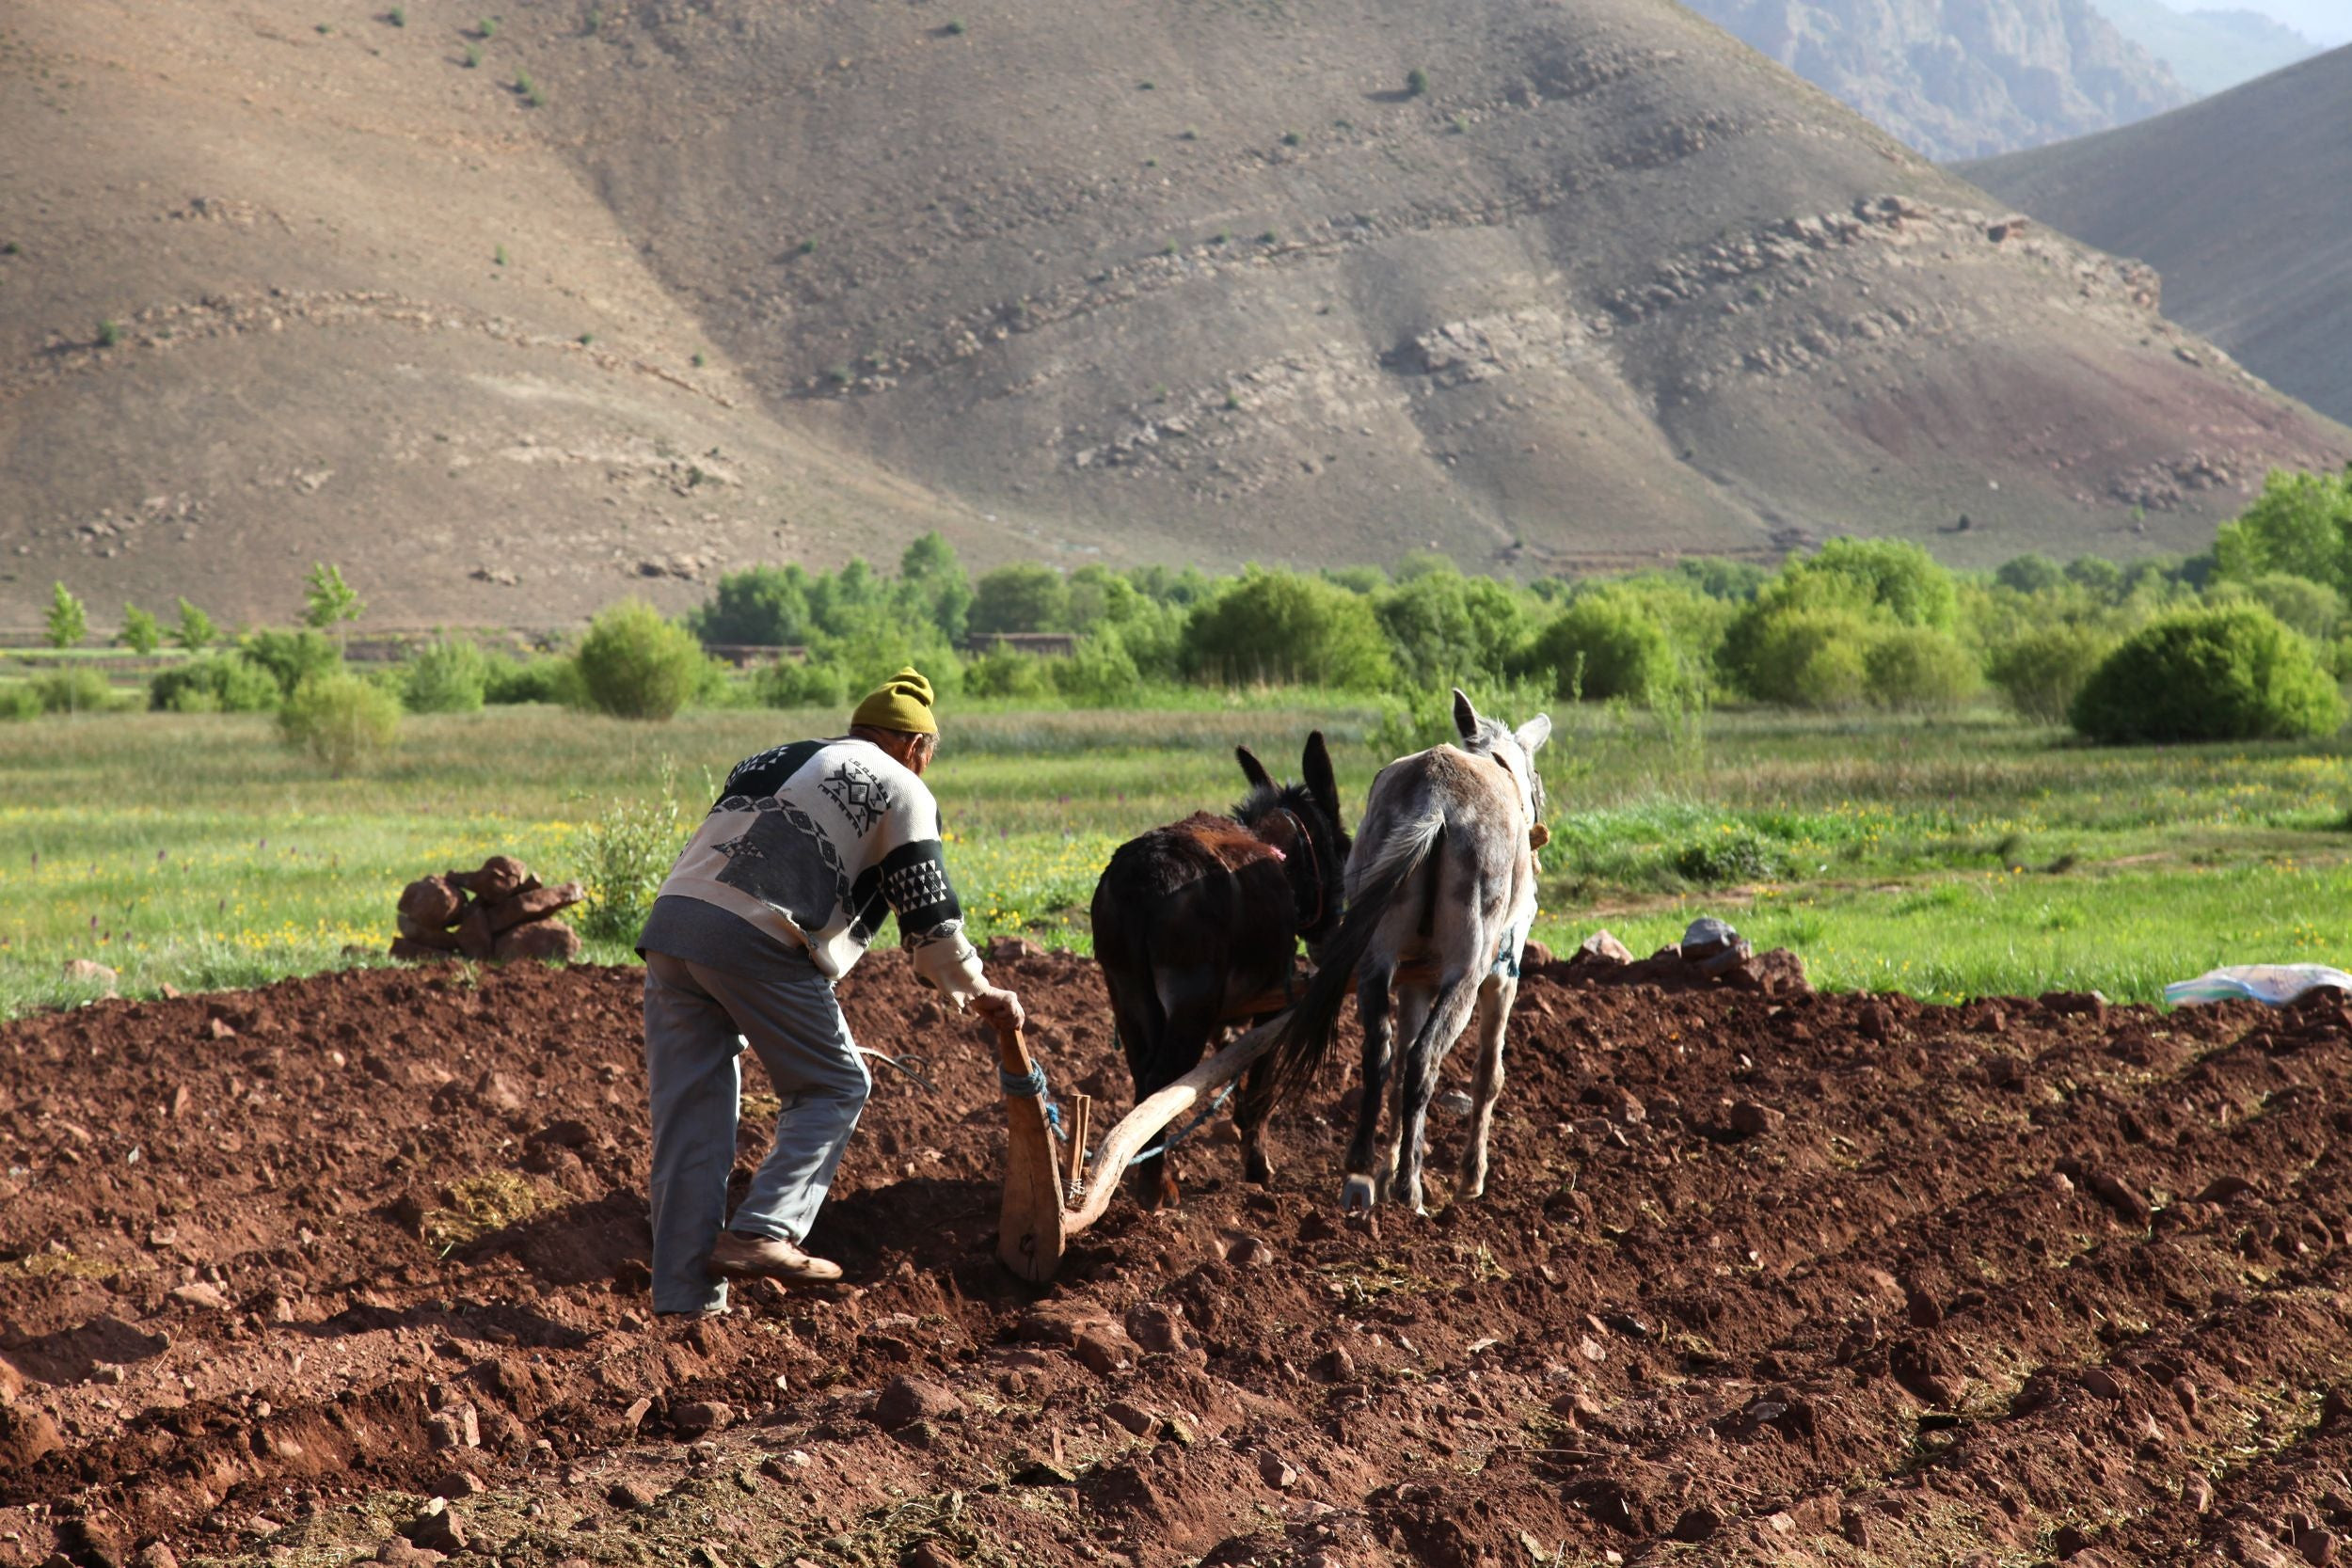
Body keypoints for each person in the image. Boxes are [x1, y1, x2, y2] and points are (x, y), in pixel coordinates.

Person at [636, 667, 1024, 1315]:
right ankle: (767, 1229)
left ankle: (683, 1303)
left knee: (690, 1119)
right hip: (752, 934)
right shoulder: (902, 786)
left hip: (673, 926)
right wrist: (980, 990)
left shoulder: (777, 755)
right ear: (917, 747)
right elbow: (931, 921)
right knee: (835, 1083)